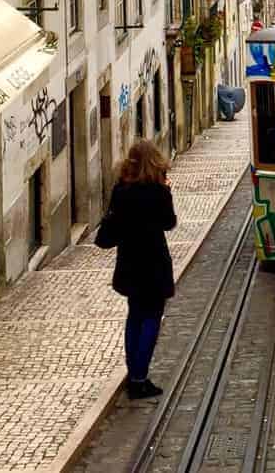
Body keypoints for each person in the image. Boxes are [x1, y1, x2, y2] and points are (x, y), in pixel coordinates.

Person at [108, 140, 177, 399]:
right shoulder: (157, 191)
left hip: (129, 262)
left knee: (135, 316)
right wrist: (167, 192)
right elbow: (168, 223)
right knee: (151, 318)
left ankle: (134, 374)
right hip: (154, 262)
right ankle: (139, 378)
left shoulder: (121, 189)